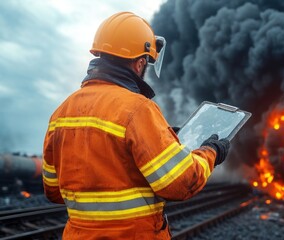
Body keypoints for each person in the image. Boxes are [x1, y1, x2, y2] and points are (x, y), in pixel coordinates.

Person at [42, 12, 230, 240]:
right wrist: (211, 152)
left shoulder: (61, 113)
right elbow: (181, 183)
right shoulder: (137, 109)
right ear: (140, 62)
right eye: (146, 64)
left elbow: (53, 190)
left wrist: (163, 139)